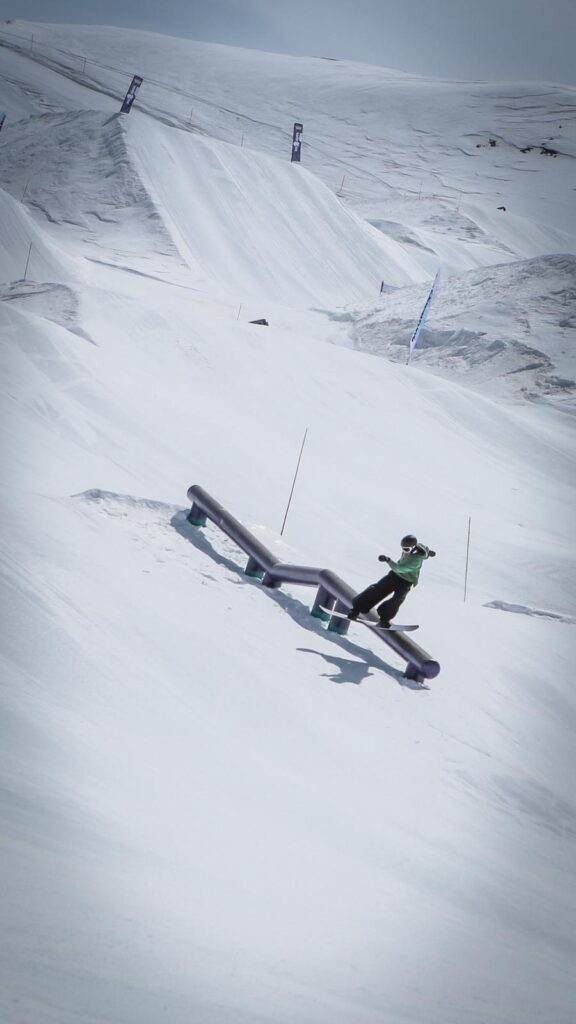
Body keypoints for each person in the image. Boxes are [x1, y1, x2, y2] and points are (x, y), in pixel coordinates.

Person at [348, 535, 436, 626]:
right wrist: (429, 553)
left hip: (405, 582)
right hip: (393, 576)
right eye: (403, 549)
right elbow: (425, 549)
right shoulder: (416, 547)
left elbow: (400, 569)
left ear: (414, 548)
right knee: (377, 589)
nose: (405, 551)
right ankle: (356, 610)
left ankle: (384, 619)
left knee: (396, 600)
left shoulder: (416, 560)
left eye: (407, 549)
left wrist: (388, 560)